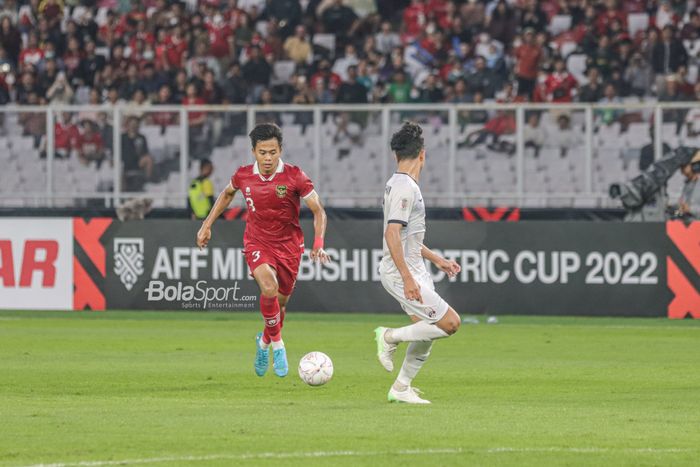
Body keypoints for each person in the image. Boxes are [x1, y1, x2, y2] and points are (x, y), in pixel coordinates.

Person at [196, 123, 330, 378]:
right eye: (262, 152)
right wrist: (206, 225)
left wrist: (319, 243)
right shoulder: (243, 175)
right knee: (268, 288)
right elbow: (226, 195)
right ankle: (279, 346)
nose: (268, 158)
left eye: (272, 152)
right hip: (257, 242)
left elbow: (318, 210)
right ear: (254, 152)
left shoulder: (295, 176)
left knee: (280, 304)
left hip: (289, 246)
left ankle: (264, 342)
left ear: (280, 150)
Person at [374, 122, 461, 404]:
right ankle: (389, 337)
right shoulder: (404, 187)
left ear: (395, 155)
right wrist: (408, 278)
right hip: (402, 273)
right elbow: (391, 234)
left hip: (414, 269)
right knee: (450, 323)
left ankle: (401, 388)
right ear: (422, 154)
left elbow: (406, 238)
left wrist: (437, 259)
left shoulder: (401, 184)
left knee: (427, 330)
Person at [674, 150, 700, 220]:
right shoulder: (688, 184)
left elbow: (688, 209)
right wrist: (674, 212)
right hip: (688, 224)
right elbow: (681, 210)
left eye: (684, 167)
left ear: (695, 166)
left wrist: (690, 209)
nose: (681, 171)